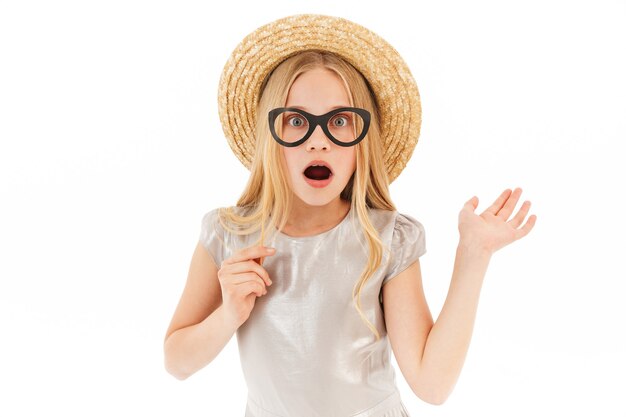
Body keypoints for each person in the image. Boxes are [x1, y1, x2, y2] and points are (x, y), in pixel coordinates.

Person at [163, 14, 536, 417]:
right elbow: (176, 362)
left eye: (339, 121)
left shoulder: (385, 240)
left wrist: (473, 255)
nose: (318, 142)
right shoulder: (228, 235)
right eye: (296, 121)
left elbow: (432, 384)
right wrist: (228, 314)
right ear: (269, 136)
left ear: (363, 142)